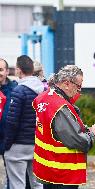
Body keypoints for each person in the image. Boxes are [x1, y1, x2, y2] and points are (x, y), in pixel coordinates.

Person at [32, 65, 95, 189]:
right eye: (78, 86)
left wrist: (87, 129)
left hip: (48, 169)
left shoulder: (45, 97)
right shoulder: (60, 107)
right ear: (66, 84)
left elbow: (59, 131)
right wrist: (93, 133)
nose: (79, 90)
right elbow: (78, 140)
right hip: (62, 172)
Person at [4, 55, 44, 189]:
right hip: (37, 144)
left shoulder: (18, 91)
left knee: (18, 184)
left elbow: (12, 121)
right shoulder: (43, 91)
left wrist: (7, 144)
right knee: (37, 184)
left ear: (19, 70)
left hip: (18, 145)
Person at [0, 58, 17, 189]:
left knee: (12, 176)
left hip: (9, 140)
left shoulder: (15, 89)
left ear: (6, 71)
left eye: (1, 70)